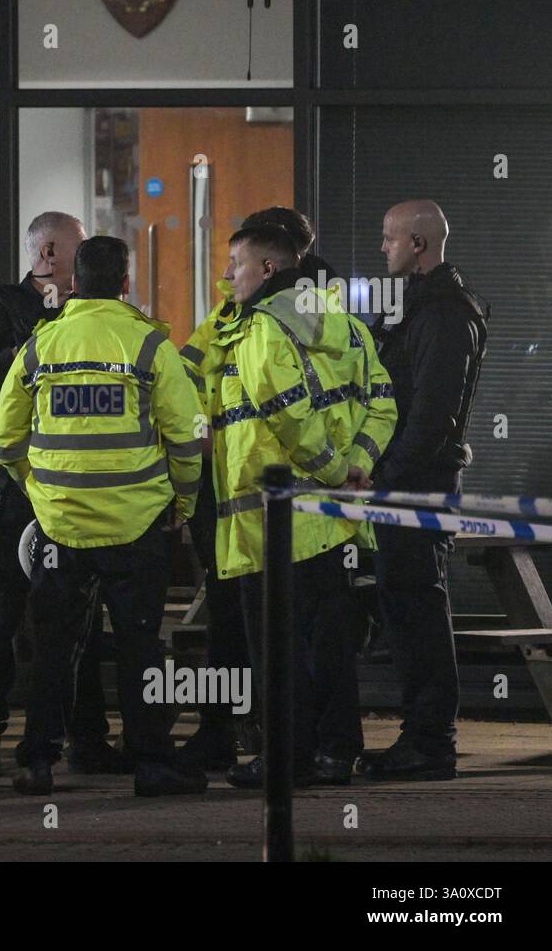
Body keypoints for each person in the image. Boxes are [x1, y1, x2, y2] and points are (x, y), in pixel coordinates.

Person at [0, 236, 207, 797]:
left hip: (61, 527)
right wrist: (181, 504)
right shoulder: (149, 347)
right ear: (126, 284)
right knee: (140, 646)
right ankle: (153, 766)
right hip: (138, 527)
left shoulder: (40, 347)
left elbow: (5, 437)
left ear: (72, 284)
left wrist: (40, 492)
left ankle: (38, 761)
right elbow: (187, 438)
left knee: (54, 649)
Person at [206, 225, 397, 788]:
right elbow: (383, 404)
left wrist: (336, 471)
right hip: (334, 522)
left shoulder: (263, 328)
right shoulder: (353, 329)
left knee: (276, 648)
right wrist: (356, 467)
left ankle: (286, 758)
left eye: (237, 263)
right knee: (331, 642)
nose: (229, 275)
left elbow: (289, 417)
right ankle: (337, 753)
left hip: (272, 521)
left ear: (269, 269)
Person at [0, 211, 131, 778]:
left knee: (79, 620)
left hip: (73, 492)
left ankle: (87, 739)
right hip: (14, 489)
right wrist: (22, 355)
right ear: (48, 252)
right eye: (77, 255)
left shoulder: (93, 313)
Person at [176, 206, 337, 772]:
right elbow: (191, 375)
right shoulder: (235, 307)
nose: (230, 269)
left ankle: (278, 742)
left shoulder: (300, 311)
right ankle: (225, 730)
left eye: (238, 260)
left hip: (267, 494)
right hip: (228, 489)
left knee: (268, 626)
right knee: (232, 623)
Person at [361, 200, 488, 781]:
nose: (382, 247)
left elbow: (432, 415)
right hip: (408, 482)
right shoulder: (420, 307)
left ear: (418, 244)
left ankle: (431, 741)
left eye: (390, 239)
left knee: (417, 607)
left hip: (417, 486)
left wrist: (386, 476)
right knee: (408, 605)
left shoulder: (441, 313)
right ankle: (424, 736)